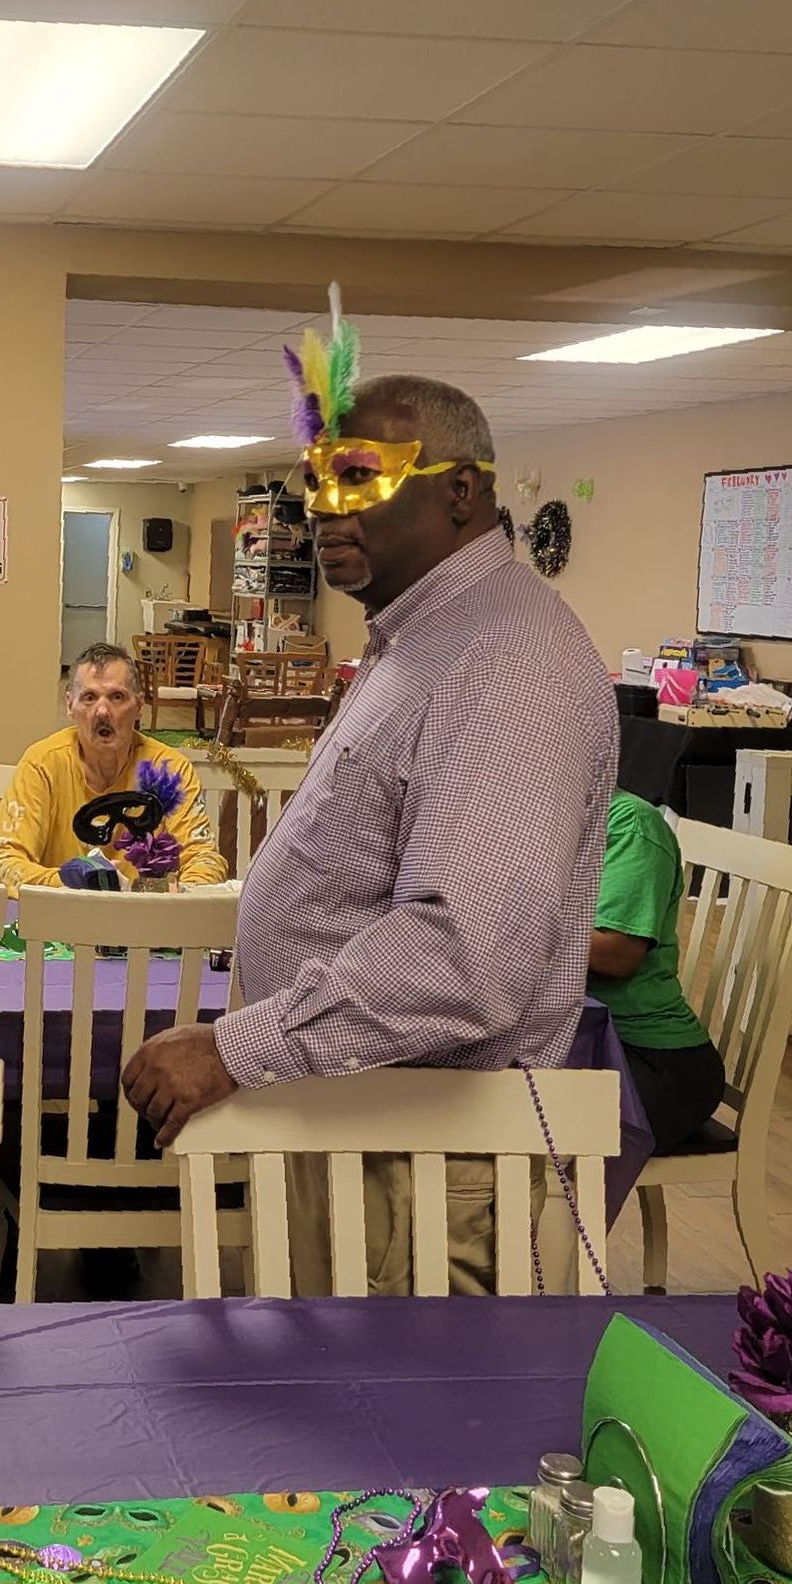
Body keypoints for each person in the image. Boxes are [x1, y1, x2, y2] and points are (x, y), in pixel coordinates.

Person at [122, 359, 616, 1293]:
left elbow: (466, 955)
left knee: (408, 1428)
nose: (323, 506)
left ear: (462, 492)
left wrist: (237, 1045)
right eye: (317, 481)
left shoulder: (507, 662)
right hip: (363, 1118)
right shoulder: (419, 641)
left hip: (423, 1156)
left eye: (361, 476)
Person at [0, 643, 228, 889]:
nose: (102, 711)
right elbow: (2, 863)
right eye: (89, 698)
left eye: (117, 697)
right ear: (70, 705)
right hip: (62, 915)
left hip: (144, 916)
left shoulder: (168, 770)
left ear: (139, 706)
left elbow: (204, 859)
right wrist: (70, 882)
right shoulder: (42, 764)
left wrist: (178, 894)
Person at [590, 788, 726, 1153]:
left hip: (654, 1063)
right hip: (587, 1043)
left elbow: (616, 955)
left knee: (496, 1121)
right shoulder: (536, 827)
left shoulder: (629, 824)